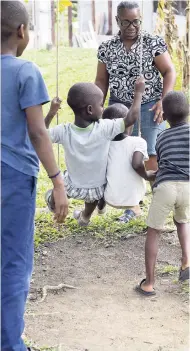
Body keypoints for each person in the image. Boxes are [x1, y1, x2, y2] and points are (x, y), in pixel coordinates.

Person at [1, 1, 68, 351]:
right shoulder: (26, 71)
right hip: (12, 180)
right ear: (22, 31)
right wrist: (58, 181)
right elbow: (38, 134)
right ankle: (10, 344)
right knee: (13, 263)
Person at [95, 0, 176, 222]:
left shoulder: (152, 42)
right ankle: (132, 204)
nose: (132, 26)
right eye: (126, 22)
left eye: (136, 21)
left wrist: (163, 100)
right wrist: (97, 106)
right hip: (118, 106)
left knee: (150, 154)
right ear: (117, 21)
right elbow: (101, 81)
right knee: (121, 153)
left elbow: (169, 71)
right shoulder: (107, 48)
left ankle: (158, 202)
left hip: (150, 104)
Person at [45, 77, 145, 226]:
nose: (103, 109)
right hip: (96, 189)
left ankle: (54, 205)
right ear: (90, 110)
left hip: (71, 184)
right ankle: (85, 217)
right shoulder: (104, 128)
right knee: (93, 200)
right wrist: (138, 93)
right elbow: (130, 118)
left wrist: (52, 113)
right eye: (101, 105)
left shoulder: (64, 131)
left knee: (56, 188)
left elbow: (41, 135)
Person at [136, 91, 190, 296]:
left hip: (166, 186)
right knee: (183, 222)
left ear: (164, 116)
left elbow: (163, 164)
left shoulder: (162, 136)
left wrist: (151, 175)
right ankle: (186, 261)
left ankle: (149, 283)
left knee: (154, 231)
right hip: (187, 187)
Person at [97, 104, 156, 217]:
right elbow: (137, 164)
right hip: (135, 198)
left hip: (110, 198)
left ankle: (100, 204)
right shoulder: (138, 142)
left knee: (101, 171)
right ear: (130, 124)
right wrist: (146, 175)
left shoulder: (102, 145)